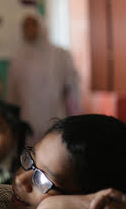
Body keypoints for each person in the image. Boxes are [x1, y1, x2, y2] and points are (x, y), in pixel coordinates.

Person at [7, 14, 81, 143]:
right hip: (28, 117)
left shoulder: (60, 54)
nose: (29, 29)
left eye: (33, 24)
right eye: (25, 25)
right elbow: (13, 92)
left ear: (41, 26)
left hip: (55, 113)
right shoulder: (18, 58)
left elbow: (71, 87)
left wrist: (74, 116)